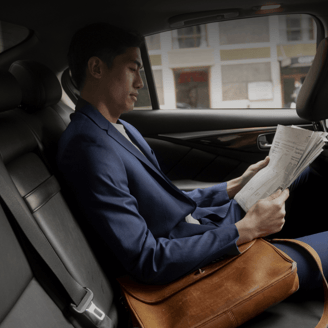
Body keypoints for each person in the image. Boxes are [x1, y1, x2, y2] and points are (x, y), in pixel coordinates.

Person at [57, 23, 328, 289]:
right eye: (132, 69)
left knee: (302, 175)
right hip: (195, 269)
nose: (140, 82)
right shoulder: (87, 148)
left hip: (203, 230)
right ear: (96, 68)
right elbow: (147, 260)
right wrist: (247, 229)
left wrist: (237, 185)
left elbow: (164, 200)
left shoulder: (119, 127)